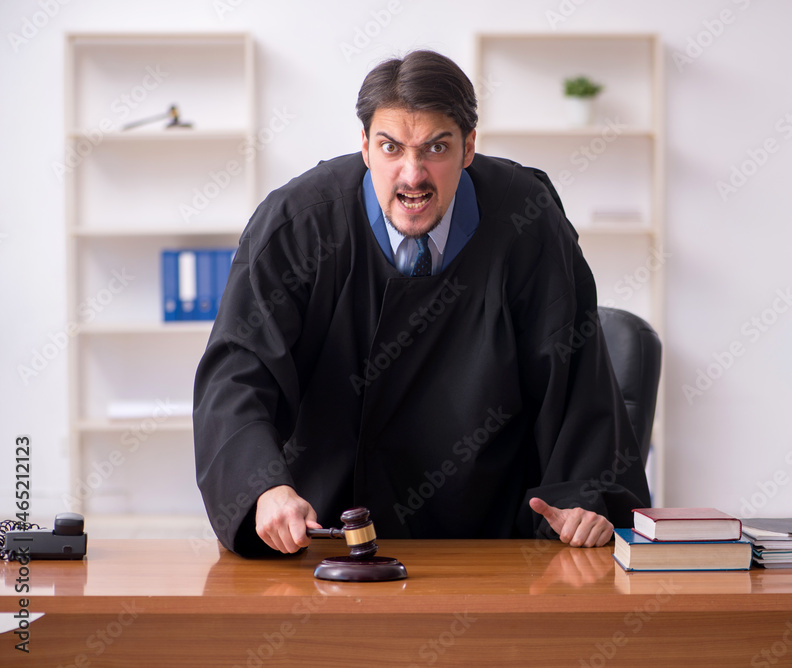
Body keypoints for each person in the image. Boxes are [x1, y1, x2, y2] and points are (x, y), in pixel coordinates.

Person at [193, 49, 650, 557]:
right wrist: (262, 488)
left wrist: (585, 498)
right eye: (391, 147)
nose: (412, 175)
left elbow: (577, 374)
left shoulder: (526, 219)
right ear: (365, 146)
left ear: (469, 147)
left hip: (491, 544)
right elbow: (237, 372)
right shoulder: (299, 223)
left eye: (436, 147)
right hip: (328, 536)